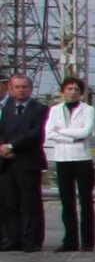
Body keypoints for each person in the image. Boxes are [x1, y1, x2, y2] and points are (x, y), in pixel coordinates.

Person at [42, 74, 95, 251]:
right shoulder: (55, 110)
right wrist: (71, 136)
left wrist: (63, 132)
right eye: (70, 89)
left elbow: (85, 132)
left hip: (82, 158)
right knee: (67, 202)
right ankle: (70, 241)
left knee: (86, 201)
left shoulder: (88, 110)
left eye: (76, 90)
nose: (73, 92)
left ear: (81, 93)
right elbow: (49, 133)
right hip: (63, 158)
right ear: (63, 91)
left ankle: (88, 241)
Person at [0, 72, 42, 251]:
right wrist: (2, 147)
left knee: (29, 203)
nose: (21, 90)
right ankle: (12, 239)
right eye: (17, 87)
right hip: (6, 162)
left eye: (24, 87)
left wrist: (12, 146)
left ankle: (31, 240)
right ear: (10, 89)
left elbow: (36, 133)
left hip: (27, 161)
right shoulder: (5, 108)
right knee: (9, 202)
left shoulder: (39, 108)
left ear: (30, 89)